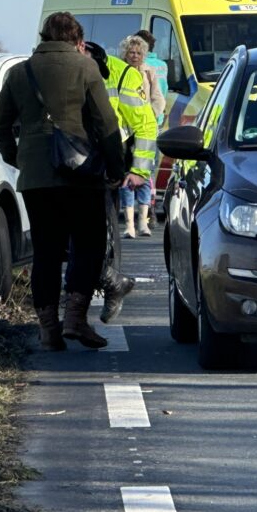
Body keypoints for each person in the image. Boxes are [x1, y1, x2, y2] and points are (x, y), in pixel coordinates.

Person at [0, 12, 125, 351]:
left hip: (37, 178)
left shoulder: (20, 72)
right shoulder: (86, 68)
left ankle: (49, 329)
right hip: (80, 174)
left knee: (46, 251)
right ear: (75, 39)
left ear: (44, 37)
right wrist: (116, 166)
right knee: (90, 244)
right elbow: (106, 123)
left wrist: (16, 157)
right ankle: (76, 319)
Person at [81, 40, 158, 322]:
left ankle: (107, 283)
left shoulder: (124, 75)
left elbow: (145, 123)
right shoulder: (61, 69)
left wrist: (139, 170)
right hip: (73, 161)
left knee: (100, 235)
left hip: (106, 164)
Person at [119, 34, 163, 238]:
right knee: (126, 176)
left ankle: (143, 222)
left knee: (145, 175)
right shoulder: (118, 71)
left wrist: (150, 117)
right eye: (131, 52)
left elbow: (158, 99)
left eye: (138, 53)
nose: (134, 56)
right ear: (125, 54)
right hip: (125, 132)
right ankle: (129, 225)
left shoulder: (150, 72)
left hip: (145, 131)